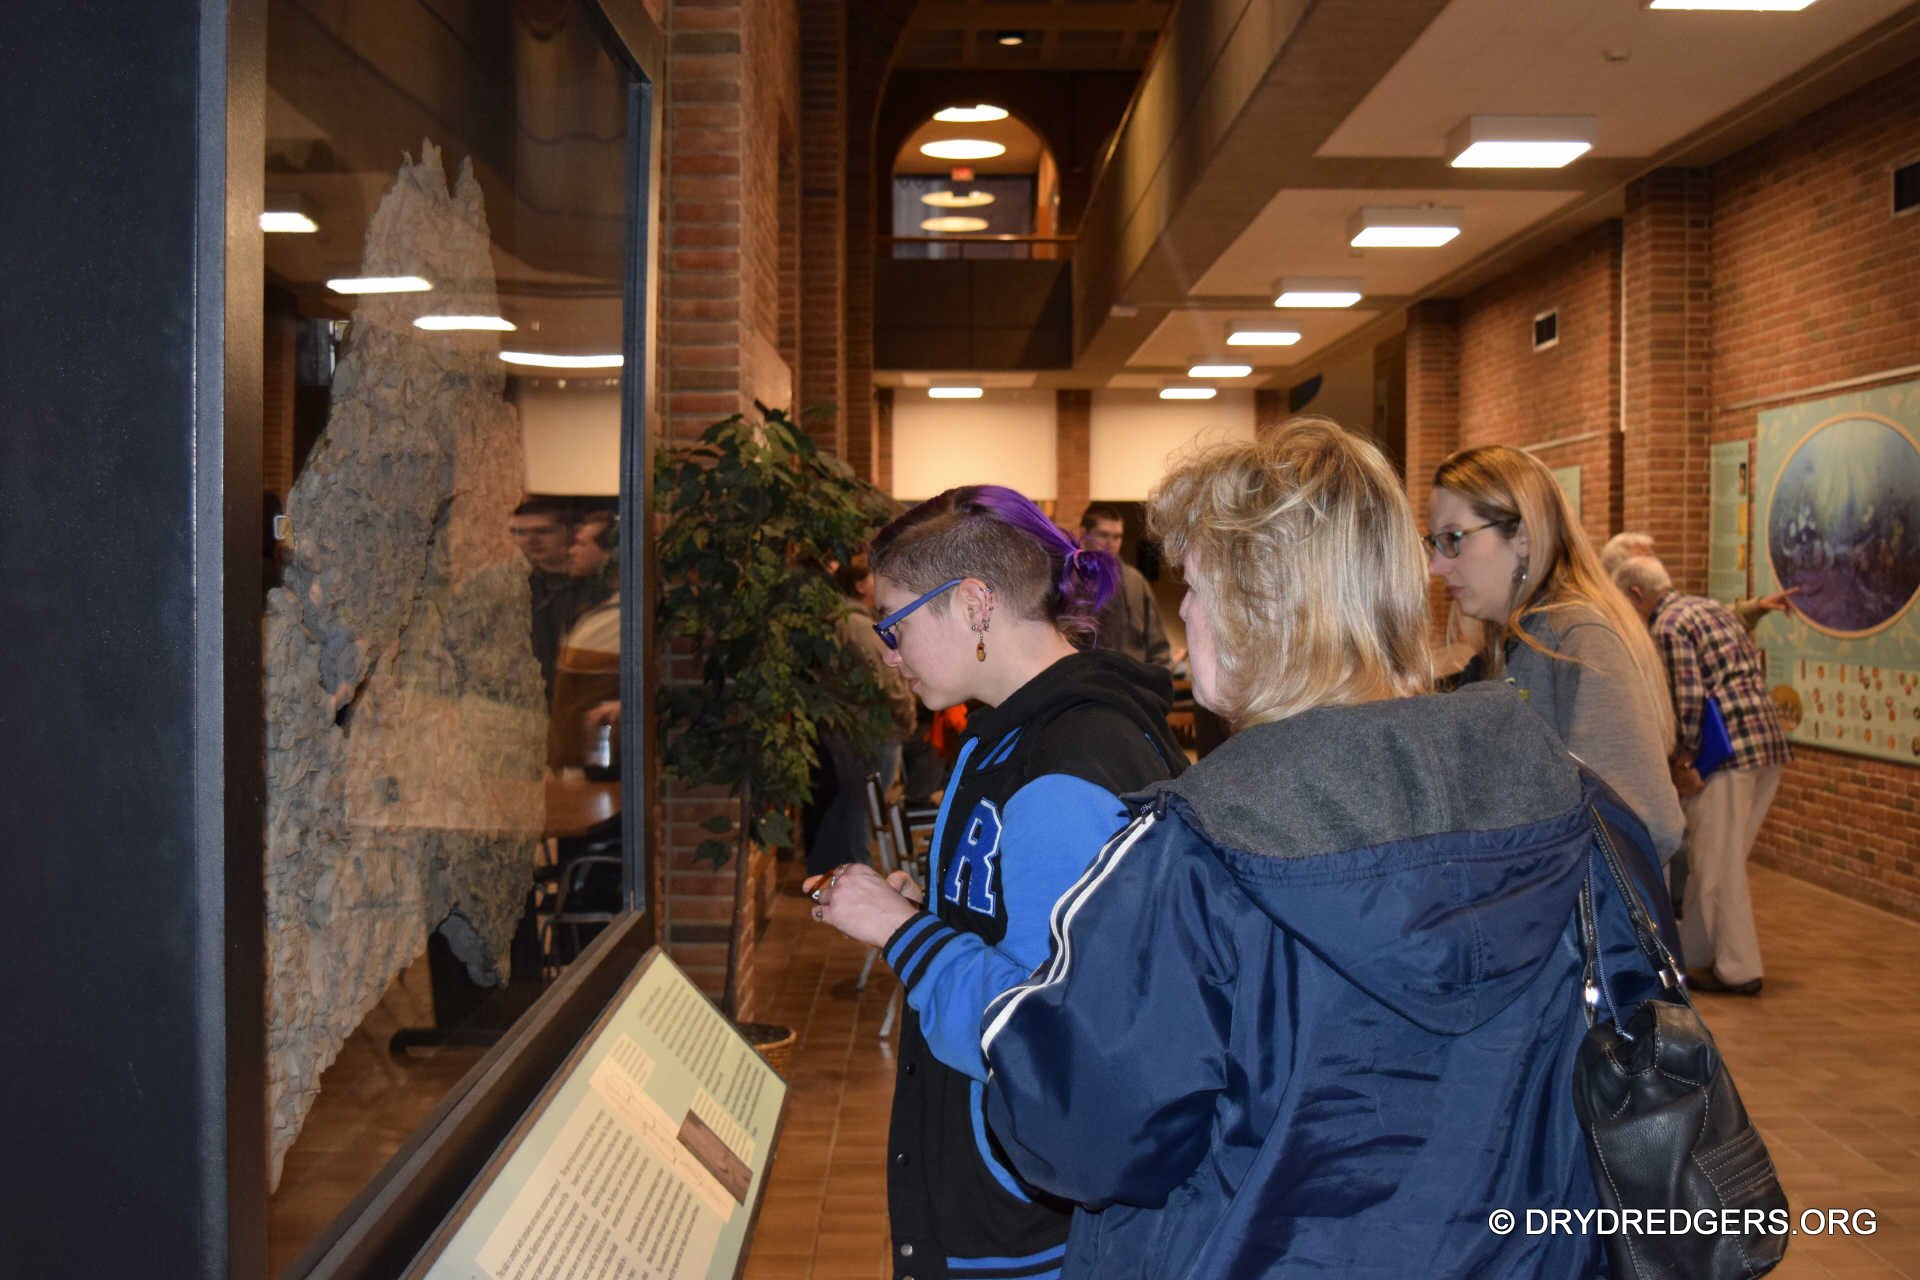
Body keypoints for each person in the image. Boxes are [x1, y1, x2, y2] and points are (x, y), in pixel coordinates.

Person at [976, 421, 1661, 1278]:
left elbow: (1075, 1138)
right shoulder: (1578, 805)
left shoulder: (1194, 853)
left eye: (1197, 586)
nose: (1183, 611)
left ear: (1263, 607)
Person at [806, 484, 1185, 1280]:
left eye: (895, 624)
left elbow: (1052, 1030)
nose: (889, 653)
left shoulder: (1066, 766)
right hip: (1013, 1197)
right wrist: (936, 914)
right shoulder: (1010, 734)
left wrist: (903, 933)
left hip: (1030, 1220)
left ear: (974, 603)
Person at [1430, 446, 1685, 861]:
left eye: (1453, 539)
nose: (1436, 566)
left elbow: (1645, 824)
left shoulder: (1578, 640)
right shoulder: (1506, 648)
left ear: (1523, 538)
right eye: (1435, 543)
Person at [1613, 555, 1792, 995]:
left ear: (1636, 593)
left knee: (1719, 866)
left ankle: (1739, 969)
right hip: (1765, 743)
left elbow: (1688, 700)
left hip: (1726, 754)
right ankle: (1691, 953)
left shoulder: (1668, 626)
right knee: (1715, 858)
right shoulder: (1708, 608)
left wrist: (1684, 763)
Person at [806, 554, 920, 877]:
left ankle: (829, 870)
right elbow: (885, 679)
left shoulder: (843, 622)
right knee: (864, 806)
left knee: (851, 803)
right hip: (872, 729)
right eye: (873, 577)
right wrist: (907, 714)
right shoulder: (856, 625)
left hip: (854, 728)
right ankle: (859, 872)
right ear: (859, 585)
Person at [1600, 531, 1797, 633]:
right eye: (1644, 559)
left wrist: (1757, 607)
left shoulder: (1666, 615)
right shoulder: (1607, 621)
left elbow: (1702, 620)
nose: (1653, 565)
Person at [510, 498, 609, 697]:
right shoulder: (515, 588)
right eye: (520, 532)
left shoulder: (596, 588)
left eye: (543, 531)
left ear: (570, 532)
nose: (531, 541)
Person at [548, 517, 621, 772]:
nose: (571, 551)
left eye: (581, 543)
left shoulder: (624, 615)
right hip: (571, 759)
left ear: (610, 555)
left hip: (601, 763)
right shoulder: (593, 607)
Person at [1078, 505, 1172, 668]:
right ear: (1084, 534)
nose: (1110, 544)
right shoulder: (1070, 579)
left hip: (1131, 676)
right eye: (1103, 535)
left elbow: (1158, 646)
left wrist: (1158, 678)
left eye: (1117, 537)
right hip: (1084, 674)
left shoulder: (1135, 581)